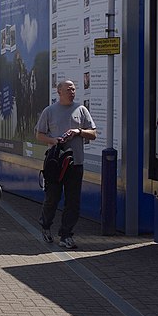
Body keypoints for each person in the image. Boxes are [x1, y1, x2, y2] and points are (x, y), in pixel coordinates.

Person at [35, 80, 96, 249]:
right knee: (52, 198)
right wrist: (54, 140)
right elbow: (39, 135)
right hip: (55, 164)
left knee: (73, 201)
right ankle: (46, 227)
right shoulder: (49, 111)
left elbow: (93, 134)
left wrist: (79, 132)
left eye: (73, 89)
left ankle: (66, 234)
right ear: (59, 91)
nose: (72, 92)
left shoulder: (81, 110)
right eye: (68, 89)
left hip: (75, 163)